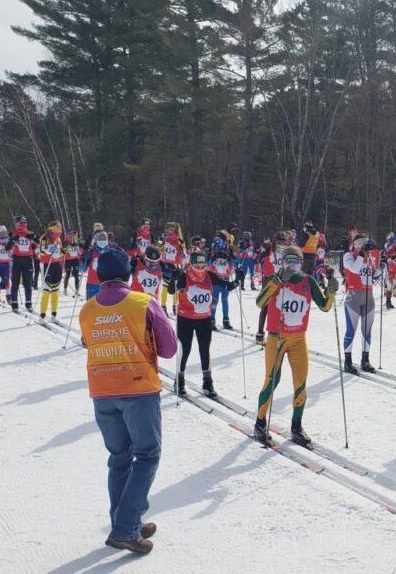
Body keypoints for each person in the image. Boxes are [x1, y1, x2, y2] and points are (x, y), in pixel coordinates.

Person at [79, 247, 177, 555]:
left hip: (102, 390)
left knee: (119, 457)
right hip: (138, 388)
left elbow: (87, 341)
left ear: (101, 276)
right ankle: (125, 528)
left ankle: (125, 519)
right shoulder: (143, 302)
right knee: (147, 455)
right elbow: (169, 348)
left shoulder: (87, 309)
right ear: (128, 275)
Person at [253, 246, 337, 446]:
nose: (292, 266)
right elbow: (259, 302)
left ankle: (296, 426)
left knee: (300, 382)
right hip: (277, 338)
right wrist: (276, 282)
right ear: (282, 263)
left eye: (296, 262)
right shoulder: (276, 279)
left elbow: (325, 306)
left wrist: (332, 292)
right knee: (272, 380)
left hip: (298, 338)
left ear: (301, 264)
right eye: (288, 262)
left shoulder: (308, 281)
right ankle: (260, 421)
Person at [171, 251, 233, 398]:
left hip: (204, 319)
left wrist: (237, 281)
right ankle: (179, 380)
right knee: (185, 349)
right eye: (196, 266)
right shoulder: (184, 276)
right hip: (185, 318)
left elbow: (227, 285)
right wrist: (173, 279)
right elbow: (171, 290)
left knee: (205, 350)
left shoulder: (210, 275)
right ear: (190, 265)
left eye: (203, 266)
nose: (200, 269)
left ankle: (207, 382)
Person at [342, 232, 381, 374]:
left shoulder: (368, 257)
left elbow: (375, 275)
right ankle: (347, 362)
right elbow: (354, 269)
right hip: (353, 298)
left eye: (366, 242)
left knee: (367, 331)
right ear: (355, 244)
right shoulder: (348, 256)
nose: (364, 245)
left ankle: (365, 360)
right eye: (361, 243)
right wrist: (363, 255)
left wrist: (380, 269)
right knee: (351, 331)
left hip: (368, 298)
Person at [37, 221, 66, 322]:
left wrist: (64, 251)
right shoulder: (45, 238)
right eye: (57, 230)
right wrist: (50, 251)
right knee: (46, 290)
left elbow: (60, 253)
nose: (59, 232)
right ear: (51, 230)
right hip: (46, 265)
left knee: (55, 291)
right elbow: (40, 251)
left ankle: (54, 314)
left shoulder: (58, 239)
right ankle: (42, 315)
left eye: (60, 230)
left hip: (56, 265)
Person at [8, 215, 37, 312]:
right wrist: (12, 240)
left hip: (28, 259)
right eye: (21, 223)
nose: (23, 224)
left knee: (28, 283)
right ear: (17, 224)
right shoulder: (13, 233)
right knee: (15, 282)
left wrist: (34, 238)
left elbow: (37, 243)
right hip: (17, 259)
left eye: (24, 223)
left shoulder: (29, 233)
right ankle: (14, 303)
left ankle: (28, 303)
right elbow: (7, 248)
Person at [208, 233, 236, 330]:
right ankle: (211, 320)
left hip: (225, 278)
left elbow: (233, 264)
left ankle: (226, 320)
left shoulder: (227, 247)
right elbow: (208, 264)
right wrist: (213, 258)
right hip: (215, 280)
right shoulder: (213, 248)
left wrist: (229, 259)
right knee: (214, 300)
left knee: (224, 300)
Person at [159, 222, 185, 315]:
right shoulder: (164, 238)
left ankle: (175, 306)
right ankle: (163, 306)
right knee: (165, 286)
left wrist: (182, 252)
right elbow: (158, 247)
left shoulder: (178, 239)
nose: (170, 230)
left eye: (172, 228)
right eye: (168, 228)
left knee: (175, 287)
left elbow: (183, 249)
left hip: (175, 264)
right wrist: (162, 239)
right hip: (166, 264)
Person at [63, 231, 83, 295]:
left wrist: (80, 249)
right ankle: (65, 289)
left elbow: (79, 252)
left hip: (75, 260)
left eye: (76, 235)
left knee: (76, 275)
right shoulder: (66, 241)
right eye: (75, 235)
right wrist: (69, 246)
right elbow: (62, 252)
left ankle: (77, 290)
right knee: (68, 275)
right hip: (68, 260)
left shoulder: (77, 241)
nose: (76, 236)